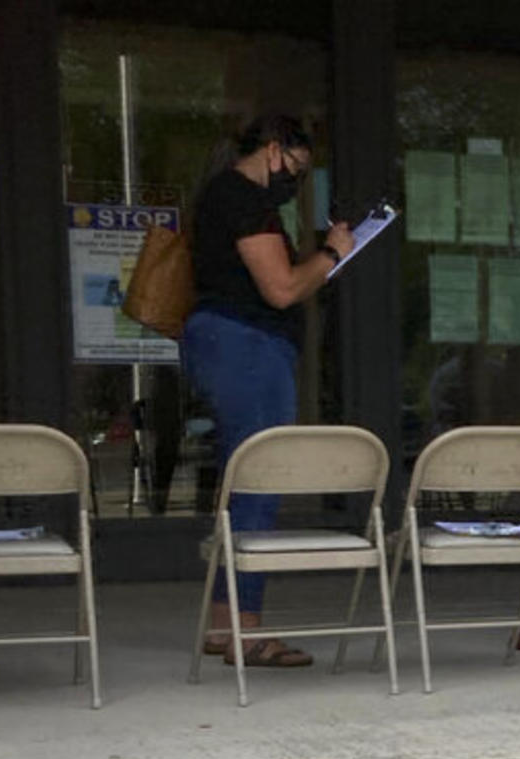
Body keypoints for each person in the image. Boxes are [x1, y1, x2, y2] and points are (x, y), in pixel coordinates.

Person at [183, 114, 353, 668]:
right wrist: (331, 255)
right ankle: (246, 630)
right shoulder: (243, 199)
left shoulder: (217, 195)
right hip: (247, 347)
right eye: (297, 168)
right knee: (259, 481)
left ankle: (221, 623)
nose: (295, 180)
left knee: (242, 481)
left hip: (226, 342)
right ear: (274, 150)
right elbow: (281, 289)